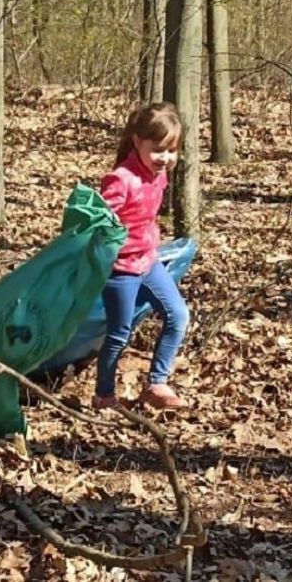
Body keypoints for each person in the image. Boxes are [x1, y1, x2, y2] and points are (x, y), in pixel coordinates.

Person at [94, 102, 190, 410]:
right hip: (120, 269)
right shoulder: (121, 179)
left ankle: (156, 384)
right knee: (119, 334)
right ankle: (104, 396)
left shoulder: (158, 175)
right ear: (137, 142)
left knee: (178, 316)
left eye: (172, 150)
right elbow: (99, 222)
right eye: (158, 149)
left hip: (148, 262)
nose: (166, 158)